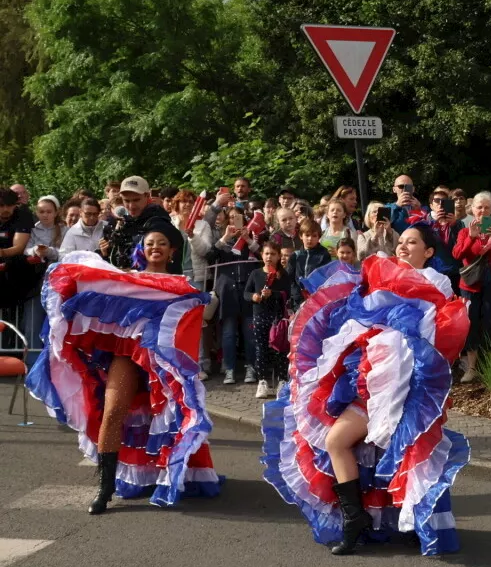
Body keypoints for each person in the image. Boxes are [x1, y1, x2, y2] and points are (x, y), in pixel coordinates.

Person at [261, 226, 471, 556]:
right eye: (400, 242)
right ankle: (354, 519)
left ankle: (422, 525)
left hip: (411, 392)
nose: (403, 247)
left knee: (412, 455)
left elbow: (441, 337)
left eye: (412, 242)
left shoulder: (437, 282)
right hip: (367, 384)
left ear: (429, 251)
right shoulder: (378, 278)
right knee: (336, 441)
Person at [25, 237, 222, 514]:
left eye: (162, 243)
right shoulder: (126, 280)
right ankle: (105, 488)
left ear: (172, 251)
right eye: (150, 243)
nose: (156, 247)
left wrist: (205, 301)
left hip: (164, 361)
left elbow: (205, 316)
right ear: (142, 249)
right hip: (128, 353)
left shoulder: (182, 284)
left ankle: (170, 474)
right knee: (113, 410)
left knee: (174, 416)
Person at [453, 191, 491, 384]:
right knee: (470, 324)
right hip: (470, 286)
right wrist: (471, 237)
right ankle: (471, 368)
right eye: (479, 207)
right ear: (473, 209)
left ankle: (488, 367)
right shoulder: (464, 230)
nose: (483, 211)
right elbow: (457, 254)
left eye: (487, 208)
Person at [210, 207, 260, 385]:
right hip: (227, 292)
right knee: (229, 333)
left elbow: (263, 255)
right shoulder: (222, 239)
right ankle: (229, 369)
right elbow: (210, 256)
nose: (233, 222)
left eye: (237, 218)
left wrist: (247, 239)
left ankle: (251, 368)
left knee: (249, 332)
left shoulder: (251, 238)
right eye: (230, 218)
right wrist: (225, 238)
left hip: (247, 289)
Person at [100, 176, 179, 273]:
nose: (131, 206)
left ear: (147, 196)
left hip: (154, 284)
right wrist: (106, 252)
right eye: (127, 201)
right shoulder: (124, 223)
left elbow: (168, 267)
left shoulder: (159, 225)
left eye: (136, 200)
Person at [246, 241, 294, 400]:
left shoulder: (283, 275)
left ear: (279, 256)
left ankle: (282, 380)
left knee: (279, 349)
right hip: (260, 316)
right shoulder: (255, 274)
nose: (269, 257)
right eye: (266, 253)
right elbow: (246, 293)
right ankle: (262, 381)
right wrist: (254, 296)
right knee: (261, 349)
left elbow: (287, 294)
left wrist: (272, 294)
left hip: (277, 318)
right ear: (262, 255)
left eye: (273, 254)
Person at [0, 187, 38, 309]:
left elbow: (19, 247)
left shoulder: (23, 215)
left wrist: (1, 253)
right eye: (1, 205)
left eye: (10, 205)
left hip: (15, 270)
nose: (6, 209)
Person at [426, 189, 463, 288]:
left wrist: (454, 226)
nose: (440, 204)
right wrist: (435, 224)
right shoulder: (425, 222)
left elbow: (462, 245)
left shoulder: (458, 223)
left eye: (444, 201)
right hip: (433, 271)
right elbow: (425, 243)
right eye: (437, 201)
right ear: (431, 205)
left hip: (454, 271)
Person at [289, 219, 331, 304]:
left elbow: (326, 278)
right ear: (301, 236)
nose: (310, 239)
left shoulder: (324, 255)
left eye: (314, 236)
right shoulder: (295, 256)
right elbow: (290, 278)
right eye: (307, 235)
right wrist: (297, 295)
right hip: (298, 299)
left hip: (317, 298)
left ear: (319, 237)